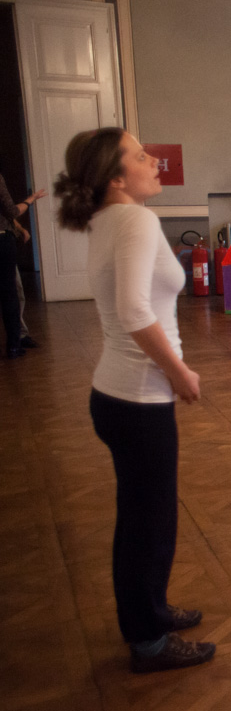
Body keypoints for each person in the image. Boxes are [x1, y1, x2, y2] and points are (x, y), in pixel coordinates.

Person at [54, 127, 214, 672]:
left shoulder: (108, 219)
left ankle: (151, 611)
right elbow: (133, 311)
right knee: (151, 524)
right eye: (142, 156)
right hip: (138, 399)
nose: (155, 163)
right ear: (116, 178)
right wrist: (178, 372)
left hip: (116, 396)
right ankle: (148, 641)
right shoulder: (135, 221)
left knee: (140, 518)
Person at [0, 174, 45, 353]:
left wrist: (18, 228)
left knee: (15, 291)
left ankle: (20, 335)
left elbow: (5, 212)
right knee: (10, 293)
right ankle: (14, 344)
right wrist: (31, 199)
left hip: (4, 236)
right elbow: (11, 211)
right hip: (2, 241)